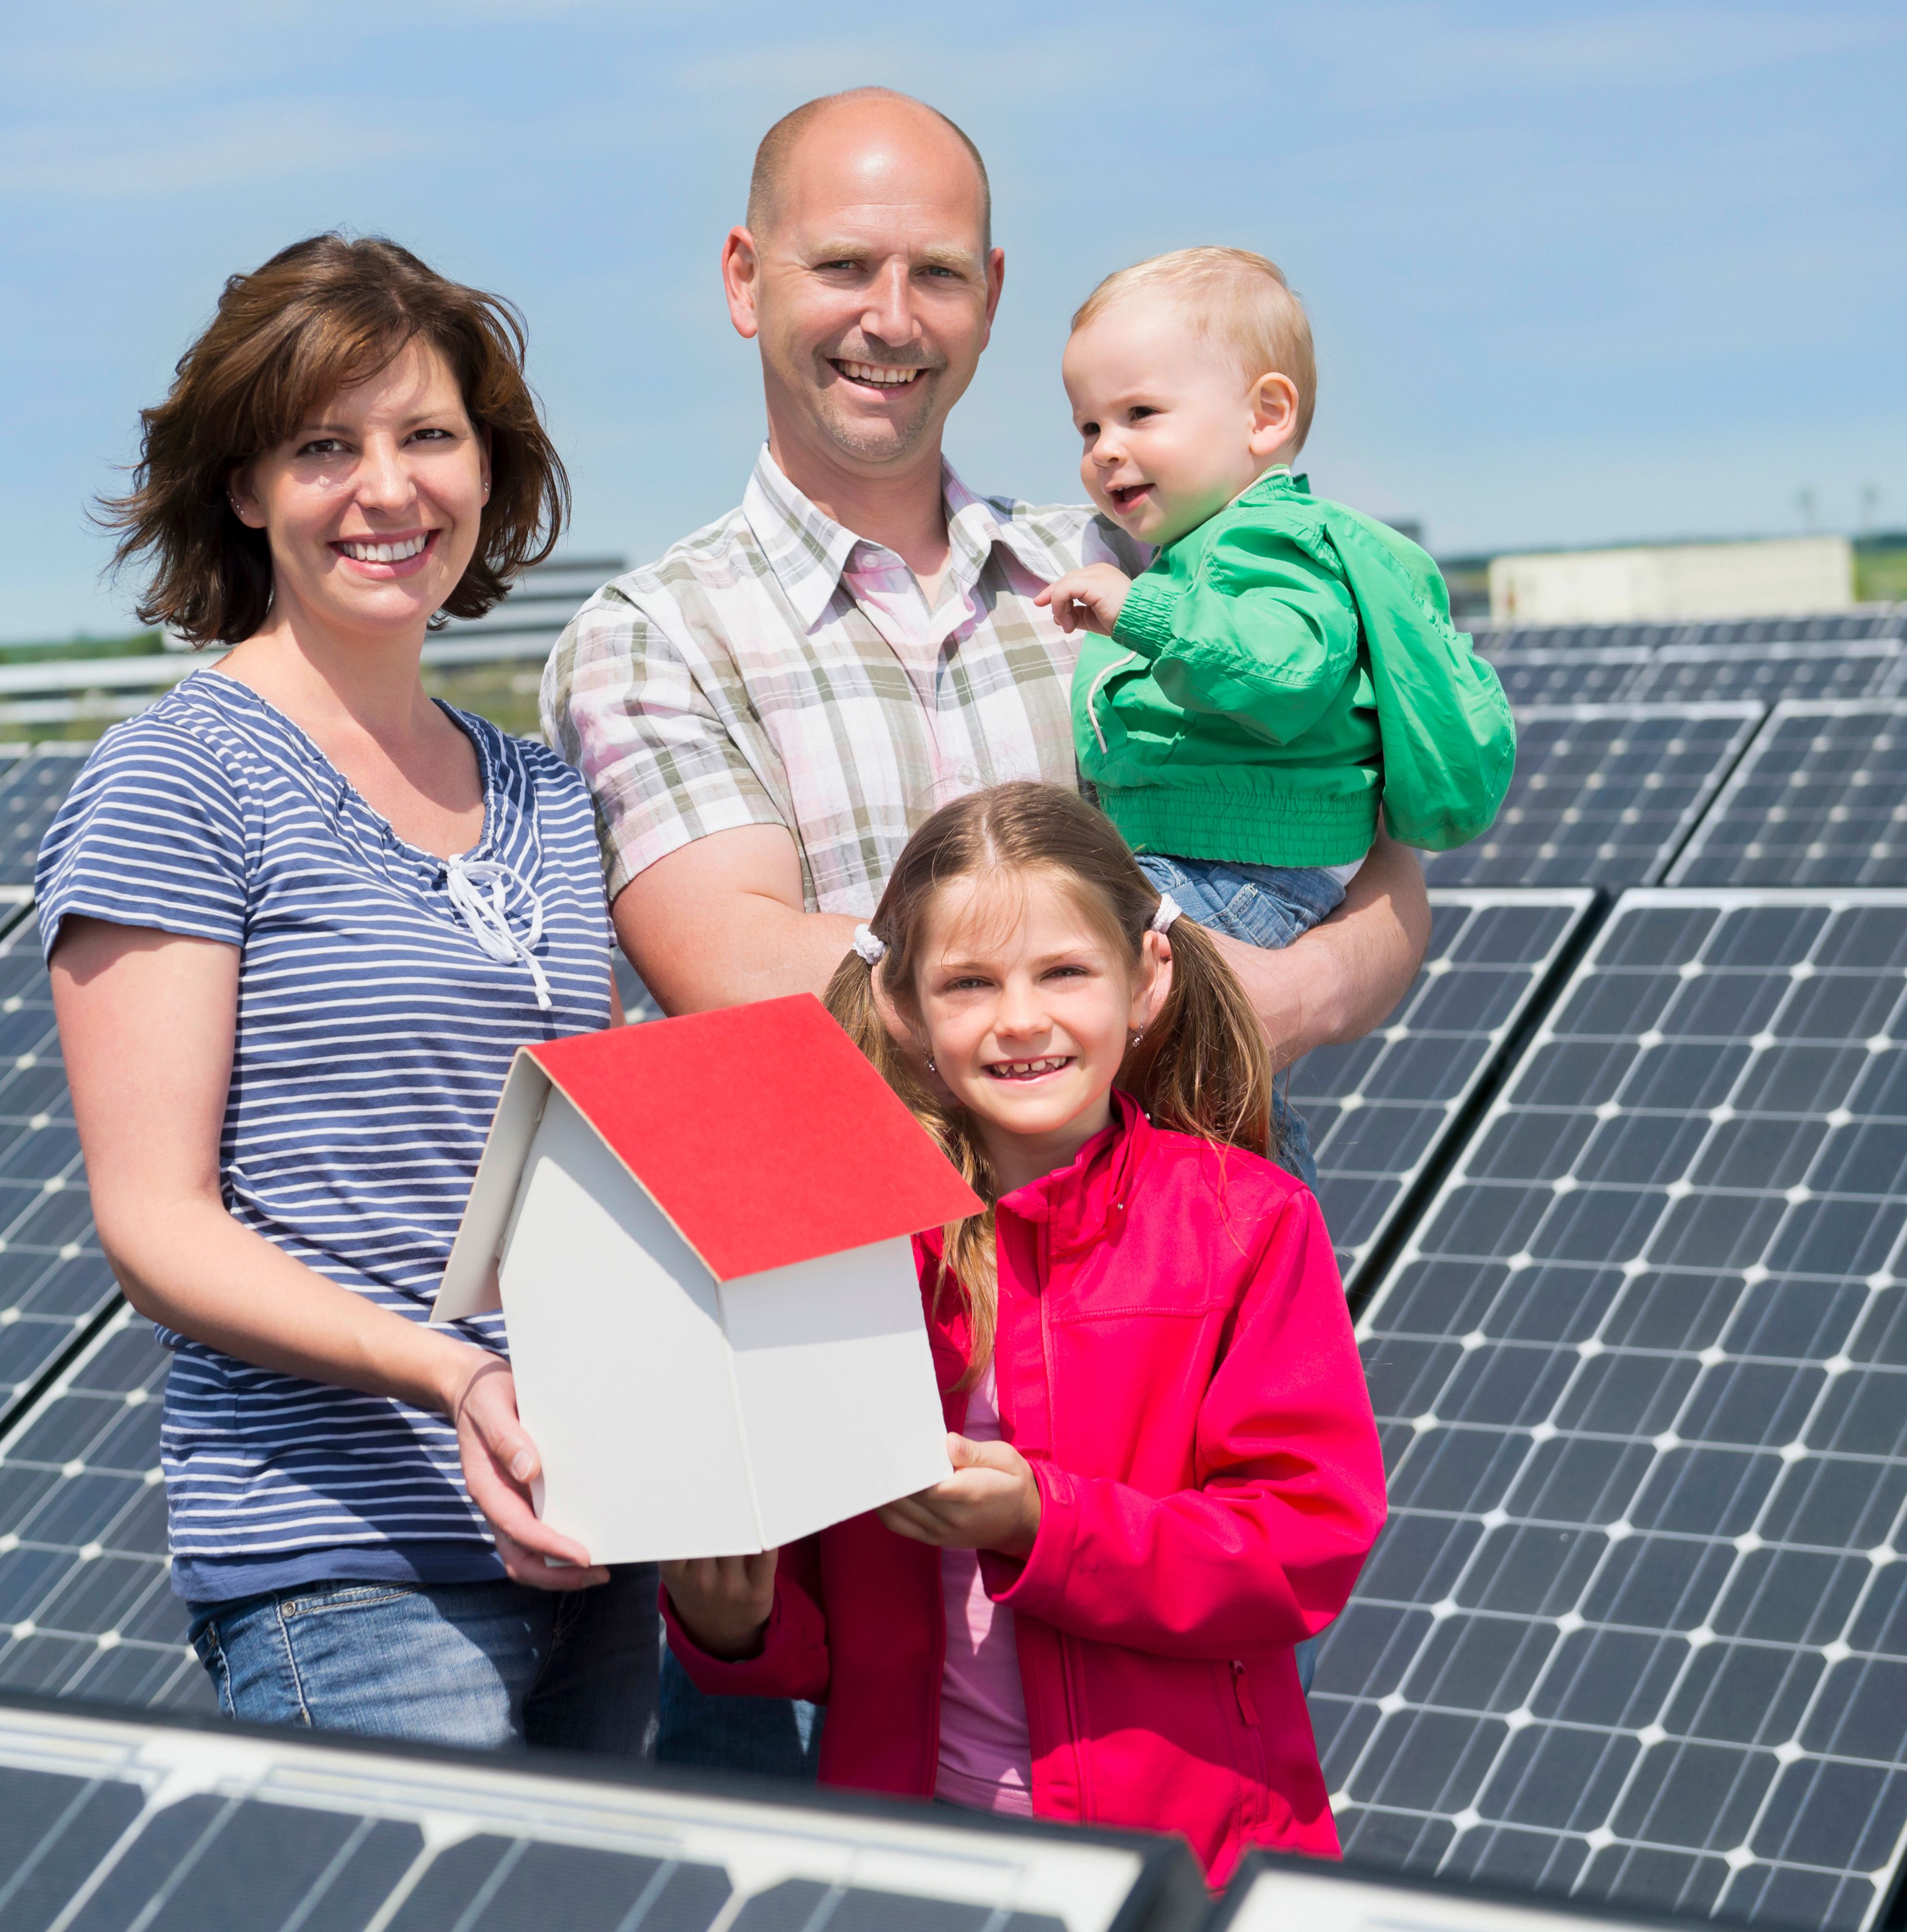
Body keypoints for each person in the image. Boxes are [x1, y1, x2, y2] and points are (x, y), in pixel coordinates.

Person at [543, 88, 1431, 1774]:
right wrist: (1084, 1007)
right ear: (744, 278)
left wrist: (1256, 993)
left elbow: (1373, 883)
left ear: (992, 298)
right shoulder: (658, 634)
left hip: (1146, 1375)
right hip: (848, 1388)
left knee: (1167, 1797)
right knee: (834, 1831)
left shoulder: (1122, 574)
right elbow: (723, 948)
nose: (890, 318)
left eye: (935, 274)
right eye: (842, 266)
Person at [41, 234, 655, 1754]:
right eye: (326, 446)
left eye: (427, 436)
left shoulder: (543, 792)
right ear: (245, 486)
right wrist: (449, 1374)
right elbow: (156, 1221)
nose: (388, 490)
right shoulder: (177, 782)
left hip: (598, 1525)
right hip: (345, 1567)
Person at [659, 782, 1385, 1888]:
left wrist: (1044, 1522)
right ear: (901, 1005)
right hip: (917, 1860)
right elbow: (809, 1615)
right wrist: (734, 1626)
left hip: (1185, 1858)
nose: (1020, 1018)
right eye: (968, 982)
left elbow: (1302, 1543)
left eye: (1063, 972)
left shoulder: (1246, 1223)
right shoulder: (849, 1255)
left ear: (1147, 978)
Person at [1034, 247, 1514, 970]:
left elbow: (1285, 671)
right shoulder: (1204, 544)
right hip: (1224, 863)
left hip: (1247, 868)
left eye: (1139, 413)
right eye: (1089, 427)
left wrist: (1143, 612)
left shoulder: (1265, 537)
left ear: (1265, 416)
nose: (1105, 450)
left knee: (1048, 953)